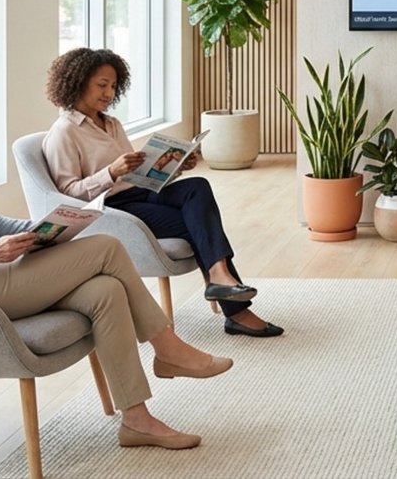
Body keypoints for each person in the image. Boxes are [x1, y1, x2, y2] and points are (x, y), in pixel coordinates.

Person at [0, 57, 228, 451]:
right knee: (107, 245)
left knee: (104, 291)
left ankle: (136, 420)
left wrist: (38, 232)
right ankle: (167, 347)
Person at [41, 48, 283, 337]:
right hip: (114, 209)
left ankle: (220, 279)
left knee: (197, 186)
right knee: (198, 225)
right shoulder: (63, 132)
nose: (109, 92)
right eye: (101, 84)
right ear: (78, 81)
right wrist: (111, 172)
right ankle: (236, 309)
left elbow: (136, 174)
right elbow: (67, 194)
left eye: (114, 86)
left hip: (140, 192)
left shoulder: (112, 123)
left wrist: (175, 165)